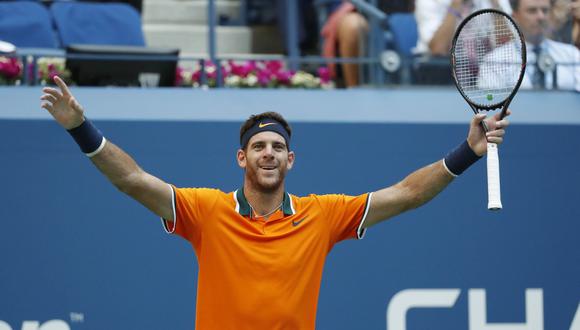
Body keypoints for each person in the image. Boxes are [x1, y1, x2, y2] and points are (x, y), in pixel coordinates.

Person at [40, 76, 509, 329]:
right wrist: (80, 127)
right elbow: (132, 180)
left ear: (291, 160)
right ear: (242, 157)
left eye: (278, 147)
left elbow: (407, 194)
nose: (269, 153)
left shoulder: (323, 215)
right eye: (260, 146)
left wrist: (466, 152)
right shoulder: (206, 211)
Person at [478, 0, 580, 91]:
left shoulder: (572, 55)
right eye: (532, 11)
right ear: (515, 16)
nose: (541, 17)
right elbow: (490, 100)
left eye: (545, 10)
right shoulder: (494, 61)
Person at [415, 0, 512, 55]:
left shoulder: (497, 2)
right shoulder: (428, 2)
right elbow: (438, 49)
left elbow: (508, 49)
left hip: (488, 72)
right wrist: (455, 4)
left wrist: (494, 5)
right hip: (439, 71)